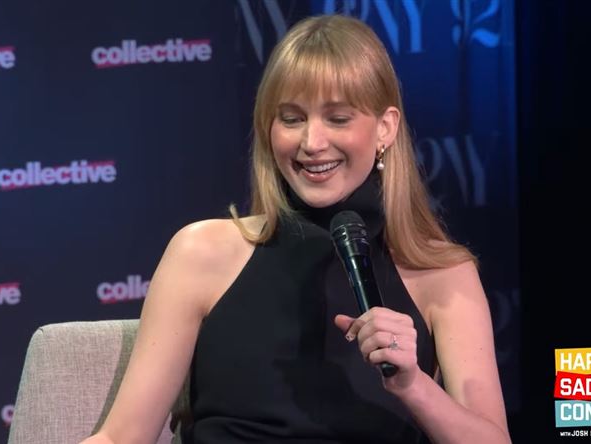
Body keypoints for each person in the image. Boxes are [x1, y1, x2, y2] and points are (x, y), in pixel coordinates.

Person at [82, 14, 510, 444]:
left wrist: (413, 385)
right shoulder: (202, 253)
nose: (312, 142)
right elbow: (121, 437)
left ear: (385, 128)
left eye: (337, 118)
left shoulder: (443, 275)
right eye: (291, 118)